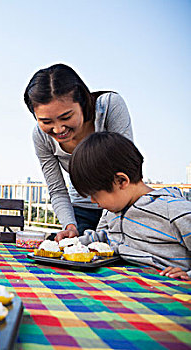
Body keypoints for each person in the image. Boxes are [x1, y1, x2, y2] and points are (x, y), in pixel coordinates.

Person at [24, 63, 133, 238]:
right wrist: (70, 226)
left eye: (66, 117)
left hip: (121, 206)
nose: (58, 129)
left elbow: (126, 168)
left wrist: (101, 232)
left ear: (82, 102)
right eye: (46, 121)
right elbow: (57, 189)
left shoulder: (109, 106)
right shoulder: (41, 136)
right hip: (82, 208)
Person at [66, 132, 191, 280]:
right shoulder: (111, 212)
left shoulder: (174, 211)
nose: (93, 200)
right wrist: (70, 243)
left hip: (170, 288)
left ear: (121, 181)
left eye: (95, 194)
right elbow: (104, 239)